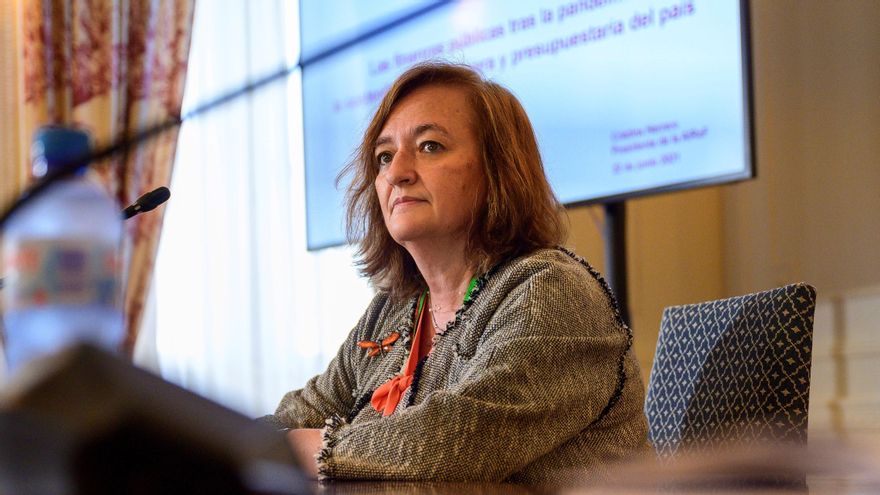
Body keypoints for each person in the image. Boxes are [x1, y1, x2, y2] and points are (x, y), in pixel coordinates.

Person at [262, 61, 649, 485]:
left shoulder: (551, 290)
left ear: (498, 169)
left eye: (430, 146)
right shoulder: (392, 311)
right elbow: (295, 416)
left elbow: (455, 442)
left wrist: (305, 448)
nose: (397, 173)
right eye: (384, 156)